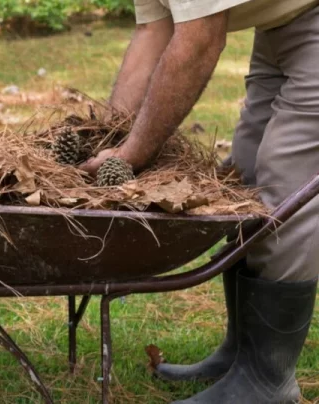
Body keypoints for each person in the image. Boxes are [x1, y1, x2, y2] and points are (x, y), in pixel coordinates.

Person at [78, 2, 319, 403]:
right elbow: (154, 33)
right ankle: (240, 353)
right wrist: (108, 137)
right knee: (244, 172)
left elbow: (199, 41)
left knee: (284, 184)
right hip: (283, 18)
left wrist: (131, 153)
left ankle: (267, 380)